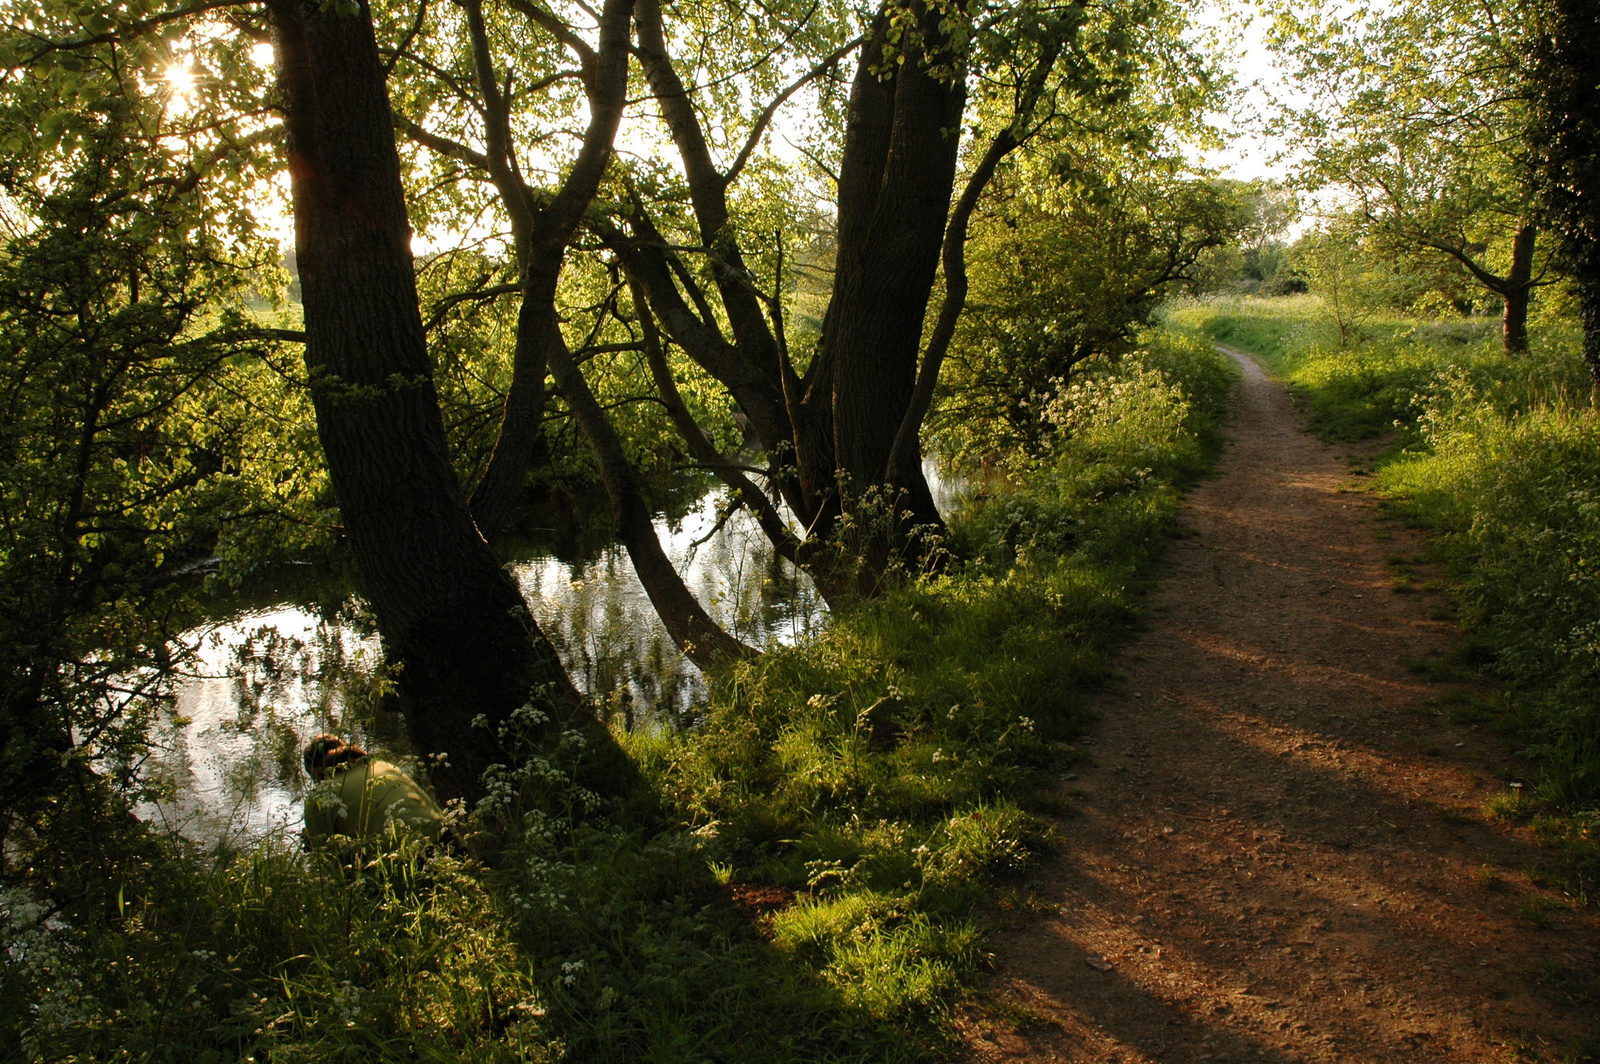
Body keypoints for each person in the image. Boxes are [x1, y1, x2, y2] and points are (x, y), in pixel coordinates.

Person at [301, 734, 445, 851]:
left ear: (316, 772)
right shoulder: (383, 766)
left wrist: (311, 843)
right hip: (446, 836)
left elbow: (328, 861)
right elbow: (429, 804)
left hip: (404, 854)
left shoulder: (319, 798)